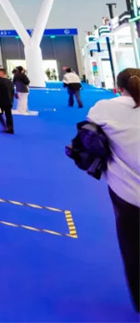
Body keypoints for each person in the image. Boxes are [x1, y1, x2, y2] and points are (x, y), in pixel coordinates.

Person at [86, 68, 139, 312]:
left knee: (133, 250)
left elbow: (88, 130)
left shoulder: (104, 108)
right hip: (125, 192)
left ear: (118, 88)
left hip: (125, 192)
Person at [0, 68, 15, 134]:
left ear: (2, 73)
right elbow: (12, 92)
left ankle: (4, 125)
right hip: (9, 101)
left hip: (1, 101)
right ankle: (10, 128)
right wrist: (12, 100)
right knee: (8, 114)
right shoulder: (10, 81)